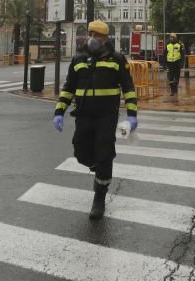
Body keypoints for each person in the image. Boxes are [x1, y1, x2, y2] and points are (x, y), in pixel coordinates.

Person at [53, 20, 138, 220]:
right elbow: (68, 88)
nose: (93, 38)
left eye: (97, 35)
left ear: (105, 38)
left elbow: (128, 88)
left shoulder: (116, 60)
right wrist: (59, 111)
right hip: (83, 114)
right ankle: (96, 164)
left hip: (106, 115)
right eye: (91, 33)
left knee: (104, 152)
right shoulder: (78, 59)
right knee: (80, 151)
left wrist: (132, 115)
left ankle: (99, 197)